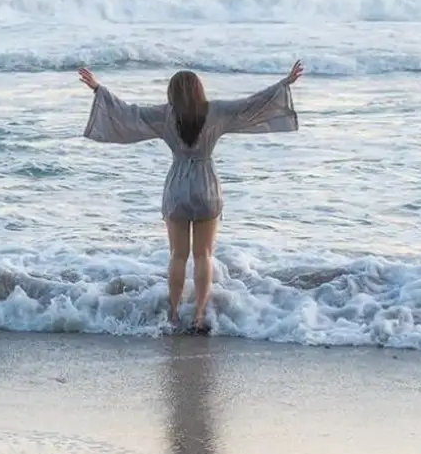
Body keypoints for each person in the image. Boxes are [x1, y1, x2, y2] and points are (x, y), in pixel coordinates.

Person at [78, 60, 303, 332]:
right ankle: (198, 313)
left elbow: (127, 113)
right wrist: (285, 83)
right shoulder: (216, 111)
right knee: (204, 255)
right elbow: (253, 104)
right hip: (206, 185)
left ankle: (173, 314)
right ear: (199, 90)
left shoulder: (164, 115)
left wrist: (98, 89)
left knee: (177, 256)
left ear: (172, 93)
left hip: (177, 186)